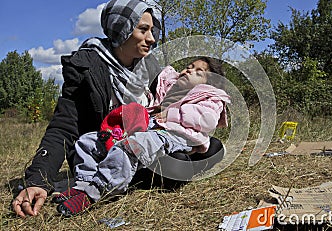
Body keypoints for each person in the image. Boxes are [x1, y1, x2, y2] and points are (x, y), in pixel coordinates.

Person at [12, 0, 225, 218]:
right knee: (177, 163)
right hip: (104, 147)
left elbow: (186, 96)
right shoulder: (87, 67)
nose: (151, 39)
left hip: (145, 141)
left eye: (153, 30)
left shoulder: (152, 69)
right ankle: (95, 186)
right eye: (143, 30)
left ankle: (129, 176)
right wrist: (37, 179)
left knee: (213, 147)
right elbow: (63, 127)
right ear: (121, 29)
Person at [52, 57, 230, 216]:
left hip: (175, 136)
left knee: (130, 147)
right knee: (88, 141)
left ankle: (95, 192)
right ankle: (84, 183)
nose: (190, 70)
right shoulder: (170, 87)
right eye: (189, 66)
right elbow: (159, 78)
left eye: (199, 72)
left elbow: (207, 121)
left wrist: (172, 113)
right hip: (150, 130)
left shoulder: (210, 98)